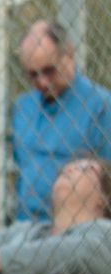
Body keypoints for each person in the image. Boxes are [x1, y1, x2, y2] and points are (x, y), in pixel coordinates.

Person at [12, 20, 111, 222]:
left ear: (69, 53)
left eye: (49, 70)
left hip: (74, 228)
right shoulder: (23, 107)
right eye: (33, 74)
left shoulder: (99, 106)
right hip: (25, 226)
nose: (42, 81)